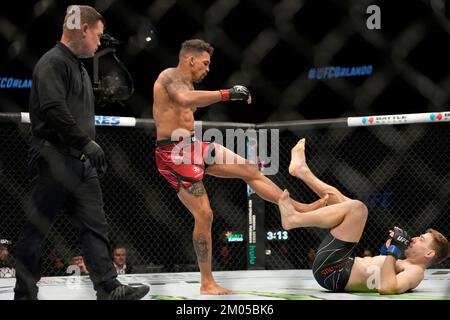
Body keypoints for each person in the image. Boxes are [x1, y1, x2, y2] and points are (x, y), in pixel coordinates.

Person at [152, 39, 327, 295]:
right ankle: (206, 283)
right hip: (173, 153)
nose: (208, 69)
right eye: (205, 62)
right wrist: (227, 93)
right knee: (204, 214)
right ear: (190, 59)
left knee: (248, 168)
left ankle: (292, 208)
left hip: (192, 144)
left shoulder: (187, 82)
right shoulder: (169, 76)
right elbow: (185, 100)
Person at [13, 5, 149, 300]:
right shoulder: (52, 62)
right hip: (53, 158)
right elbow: (53, 109)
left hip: (80, 163)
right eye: (97, 35)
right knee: (36, 231)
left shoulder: (79, 68)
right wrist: (85, 143)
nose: (100, 41)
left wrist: (86, 149)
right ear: (83, 29)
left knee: (95, 226)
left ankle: (110, 288)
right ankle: (24, 294)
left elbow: (78, 112)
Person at [278, 138, 450, 294]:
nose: (415, 238)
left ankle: (295, 219)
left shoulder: (415, 272)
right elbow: (376, 271)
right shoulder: (404, 263)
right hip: (337, 265)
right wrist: (389, 249)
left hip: (333, 271)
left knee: (358, 209)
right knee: (342, 202)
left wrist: (393, 251)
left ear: (429, 253)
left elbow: (388, 288)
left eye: (422, 239)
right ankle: (302, 171)